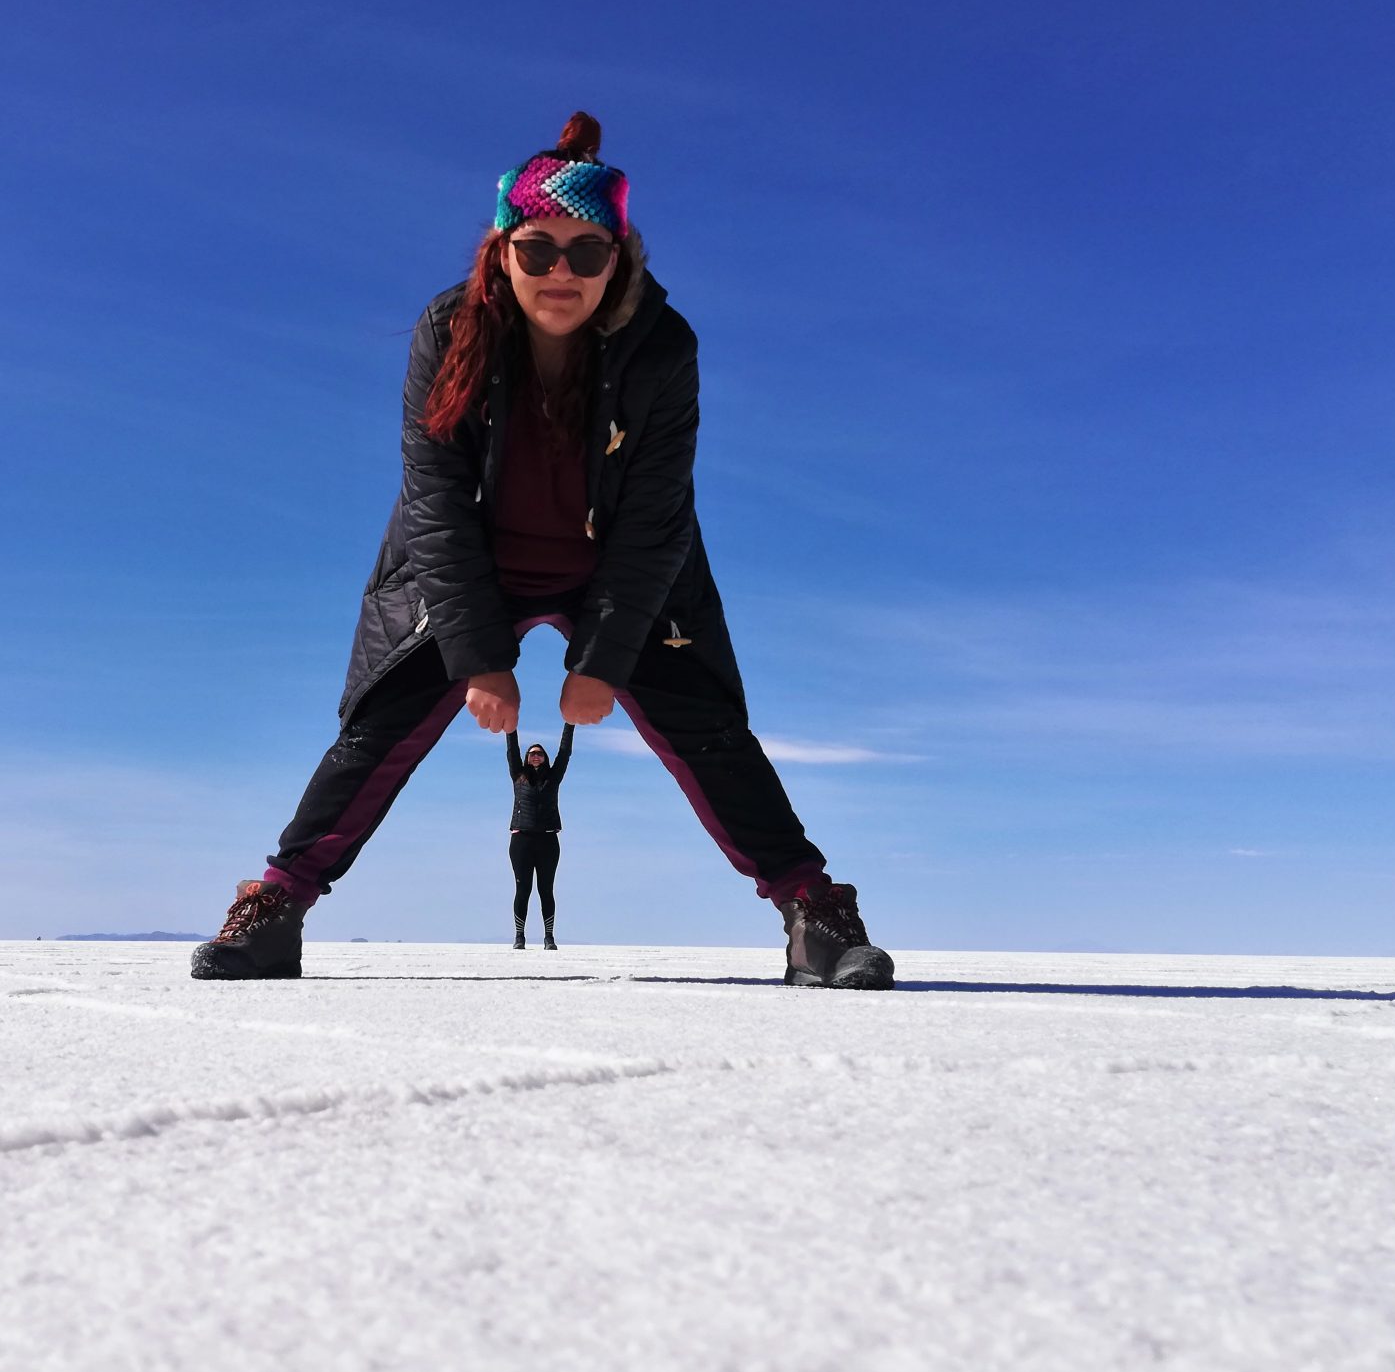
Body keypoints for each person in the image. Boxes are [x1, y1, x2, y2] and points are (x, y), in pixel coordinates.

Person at [192, 112, 893, 989]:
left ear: (619, 256)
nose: (561, 271)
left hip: (625, 569)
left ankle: (812, 912)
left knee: (710, 733)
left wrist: (600, 660)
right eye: (537, 249)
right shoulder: (448, 332)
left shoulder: (663, 348)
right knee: (378, 729)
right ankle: (278, 905)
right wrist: (481, 657)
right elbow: (433, 502)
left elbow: (656, 517)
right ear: (501, 251)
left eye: (587, 252)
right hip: (468, 565)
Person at [506, 724, 573, 949]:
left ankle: (549, 938)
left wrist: (569, 724)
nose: (536, 756)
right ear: (527, 758)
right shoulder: (518, 776)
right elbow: (511, 750)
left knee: (546, 890)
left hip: (547, 840)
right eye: (532, 753)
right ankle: (519, 937)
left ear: (544, 757)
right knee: (523, 889)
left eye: (540, 753)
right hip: (521, 840)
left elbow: (565, 753)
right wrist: (510, 726)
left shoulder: (553, 778)